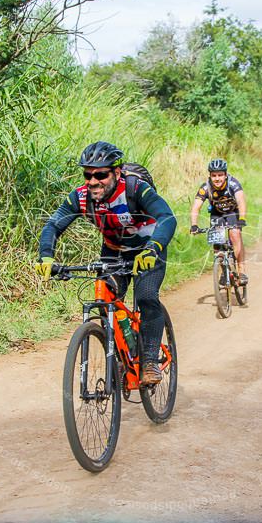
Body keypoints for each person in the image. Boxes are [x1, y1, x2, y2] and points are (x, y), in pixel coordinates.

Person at [35, 141, 176, 386]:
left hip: (148, 251)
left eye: (100, 175)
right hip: (114, 252)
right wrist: (46, 255)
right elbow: (53, 225)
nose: (93, 181)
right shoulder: (80, 198)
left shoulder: (135, 189)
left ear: (116, 173)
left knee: (145, 296)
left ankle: (150, 360)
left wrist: (154, 248)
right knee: (104, 298)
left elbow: (167, 218)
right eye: (87, 175)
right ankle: (123, 353)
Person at [189, 158, 248, 285]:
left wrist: (242, 219)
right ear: (210, 176)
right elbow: (196, 207)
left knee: (235, 234)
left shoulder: (233, 184)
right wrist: (194, 225)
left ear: (225, 175)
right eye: (214, 175)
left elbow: (241, 201)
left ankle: (241, 270)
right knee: (217, 245)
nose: (217, 178)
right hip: (217, 214)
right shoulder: (205, 187)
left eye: (220, 175)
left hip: (233, 212)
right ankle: (224, 270)